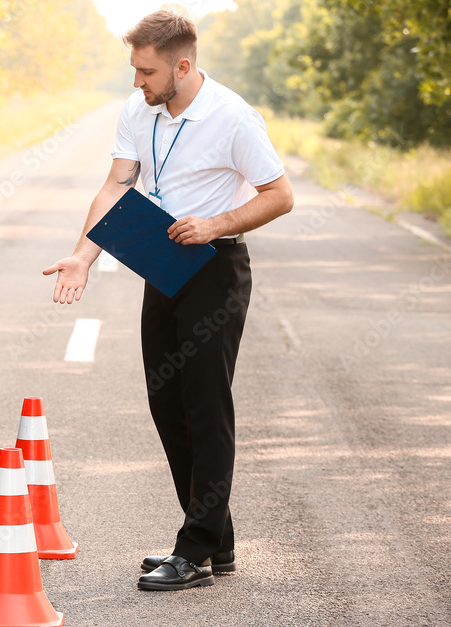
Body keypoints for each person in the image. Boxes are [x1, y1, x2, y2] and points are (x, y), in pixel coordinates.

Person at [43, 10, 294, 591]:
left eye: (147, 72)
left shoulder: (233, 117)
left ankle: (197, 549)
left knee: (206, 405)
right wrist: (83, 255)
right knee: (166, 401)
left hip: (214, 265)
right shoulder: (140, 110)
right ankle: (215, 539)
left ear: (183, 65)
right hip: (162, 265)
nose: (138, 82)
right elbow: (116, 184)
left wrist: (215, 223)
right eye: (134, 70)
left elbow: (279, 195)